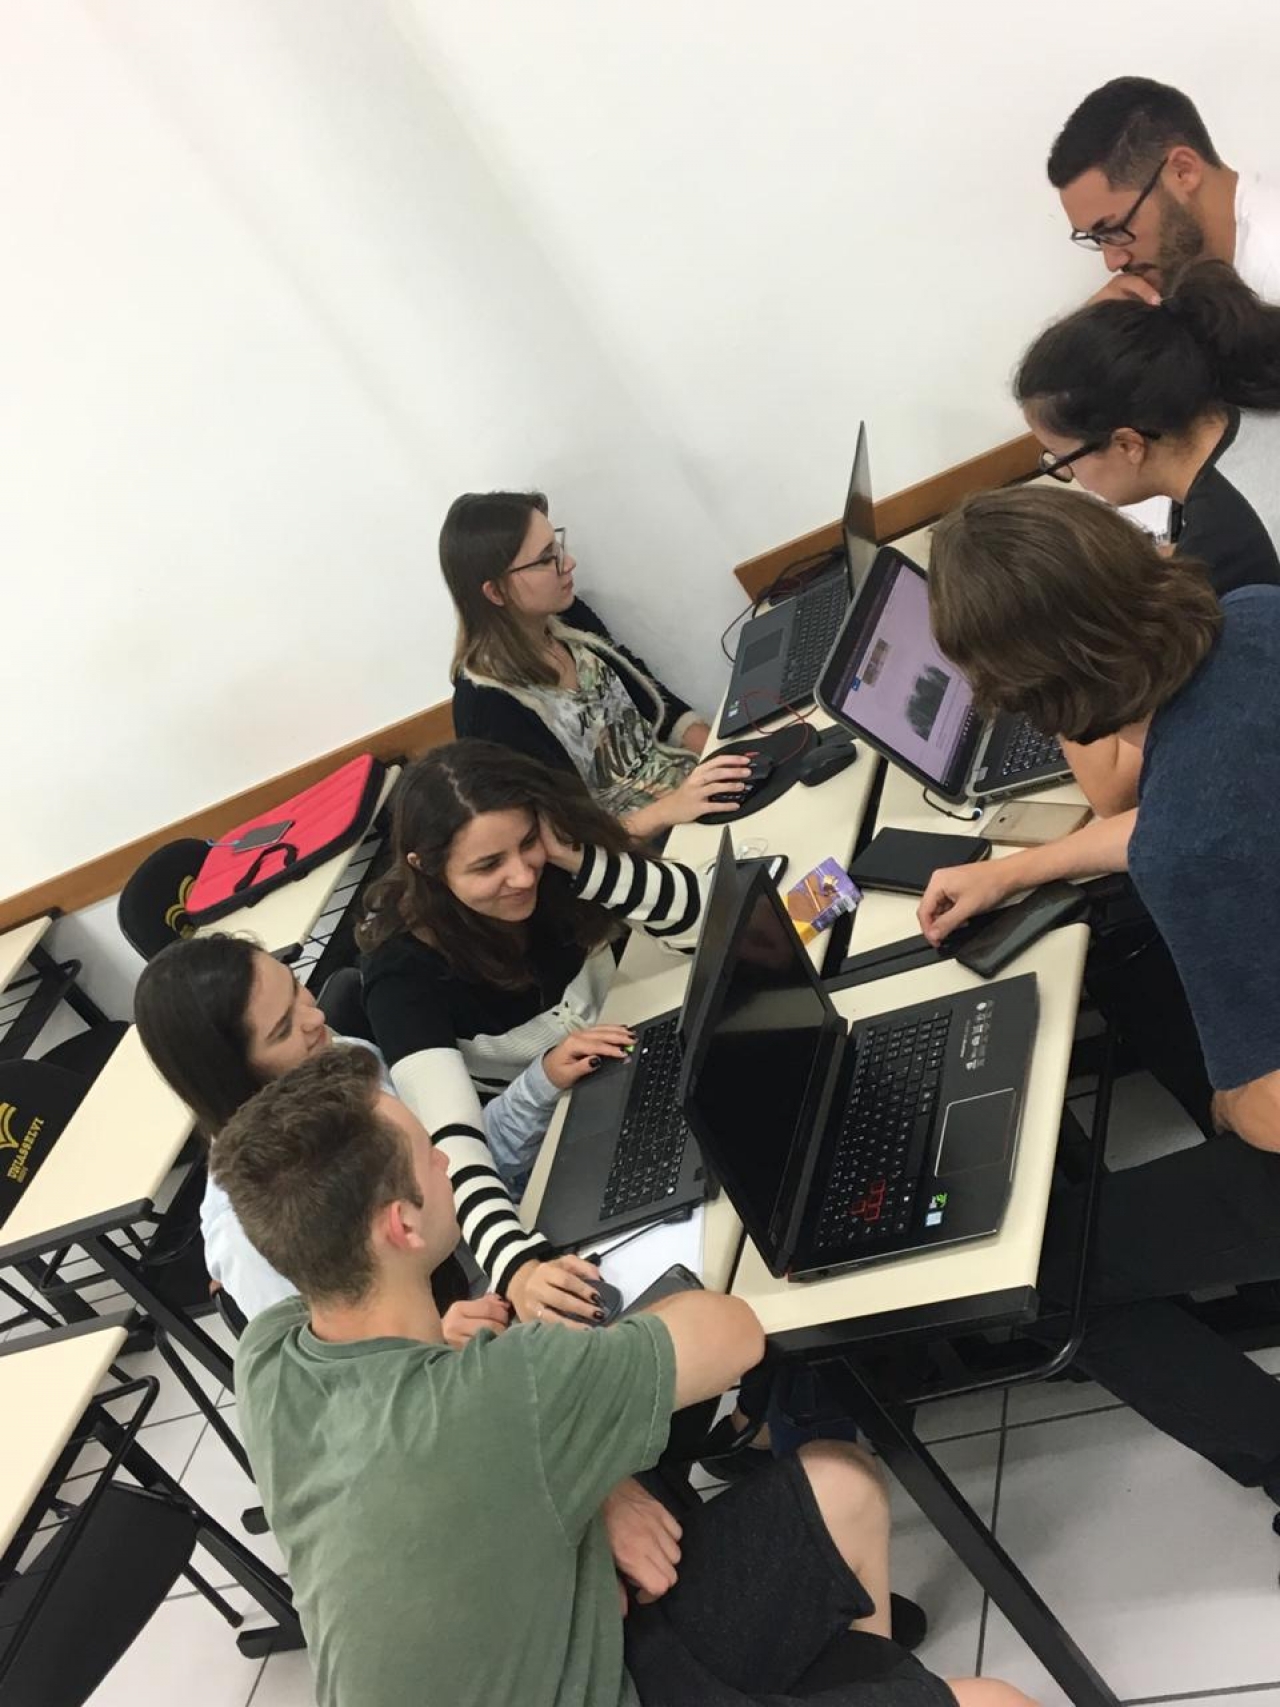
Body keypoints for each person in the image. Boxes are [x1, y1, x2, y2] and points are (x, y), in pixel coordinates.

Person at [219, 1044, 1033, 1707]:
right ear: (402, 1224)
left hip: (590, 1653)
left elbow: (432, 1431)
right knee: (1000, 1702)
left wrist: (594, 1480)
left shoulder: (267, 1352)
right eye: (428, 1151)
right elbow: (732, 1332)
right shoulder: (512, 1390)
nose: (444, 1157)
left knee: (843, 1485)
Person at [916, 483, 1280, 1511]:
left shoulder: (1187, 852)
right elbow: (1183, 804)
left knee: (1035, 1271)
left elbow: (1270, 1108)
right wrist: (1014, 871)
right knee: (1141, 974)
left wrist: (1228, 1106)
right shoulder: (1255, 620)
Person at [357, 738, 713, 1325]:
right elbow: (454, 1145)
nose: (522, 875)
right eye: (487, 866)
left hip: (637, 1056)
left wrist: (576, 857)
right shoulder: (401, 973)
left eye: (527, 843)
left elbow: (703, 923)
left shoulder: (555, 870)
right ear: (426, 866)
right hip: (554, 1142)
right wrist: (517, 1267)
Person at [134, 933, 628, 1324]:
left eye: (297, 986)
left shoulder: (344, 1059)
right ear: (233, 1074)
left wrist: (540, 1082)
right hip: (454, 1369)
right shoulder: (250, 1235)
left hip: (506, 1249)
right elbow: (337, 1390)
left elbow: (452, 1159)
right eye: (284, 1029)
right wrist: (439, 1345)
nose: (316, 1017)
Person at [1014, 257, 1280, 817]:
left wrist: (1039, 641)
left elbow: (1117, 790)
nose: (1070, 478)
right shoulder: (1242, 410)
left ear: (1128, 443)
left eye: (1063, 461)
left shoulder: (1226, 549)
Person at [443, 489, 752, 837]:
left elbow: (649, 698)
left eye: (558, 546)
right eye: (546, 559)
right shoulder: (486, 705)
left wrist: (721, 752)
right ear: (495, 592)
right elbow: (558, 838)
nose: (568, 563)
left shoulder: (567, 617)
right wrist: (669, 810)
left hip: (688, 791)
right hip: (633, 844)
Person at [1047, 76, 1280, 305]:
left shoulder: (1272, 276)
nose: (1113, 263)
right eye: (1098, 239)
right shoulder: (1196, 269)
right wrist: (1098, 323)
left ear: (1183, 171)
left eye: (1115, 230)